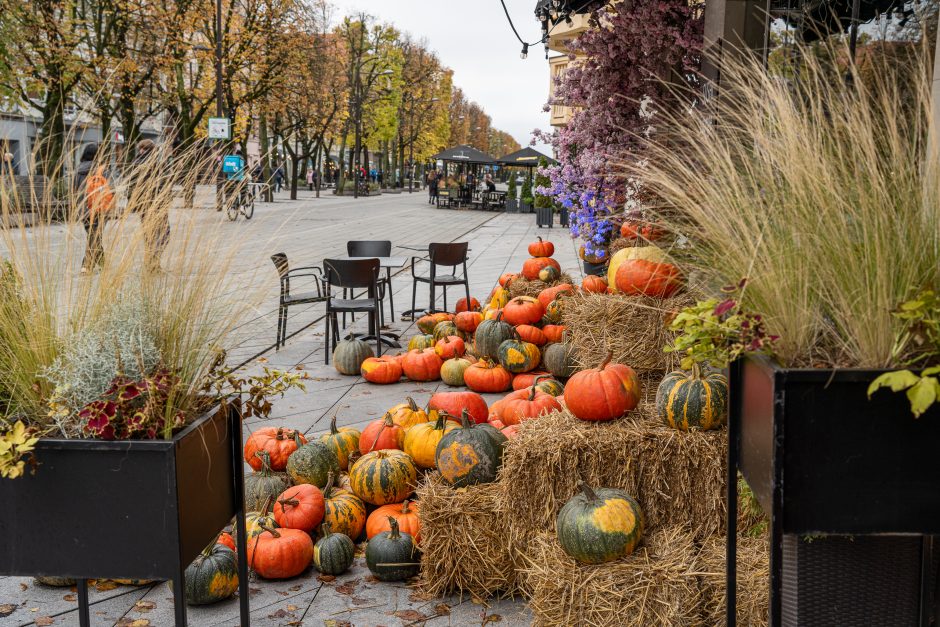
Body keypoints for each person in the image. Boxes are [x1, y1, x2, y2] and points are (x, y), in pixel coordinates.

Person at [73, 143, 114, 273]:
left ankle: (102, 264)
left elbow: (74, 191)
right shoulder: (103, 170)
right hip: (100, 208)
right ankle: (87, 265)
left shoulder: (78, 170)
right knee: (95, 236)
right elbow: (111, 189)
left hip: (83, 209)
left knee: (93, 235)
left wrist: (79, 207)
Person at [131, 139, 169, 272]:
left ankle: (151, 262)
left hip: (143, 205)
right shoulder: (155, 164)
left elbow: (131, 186)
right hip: (156, 203)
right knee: (164, 233)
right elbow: (163, 183)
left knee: (149, 234)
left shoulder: (135, 163)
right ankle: (153, 261)